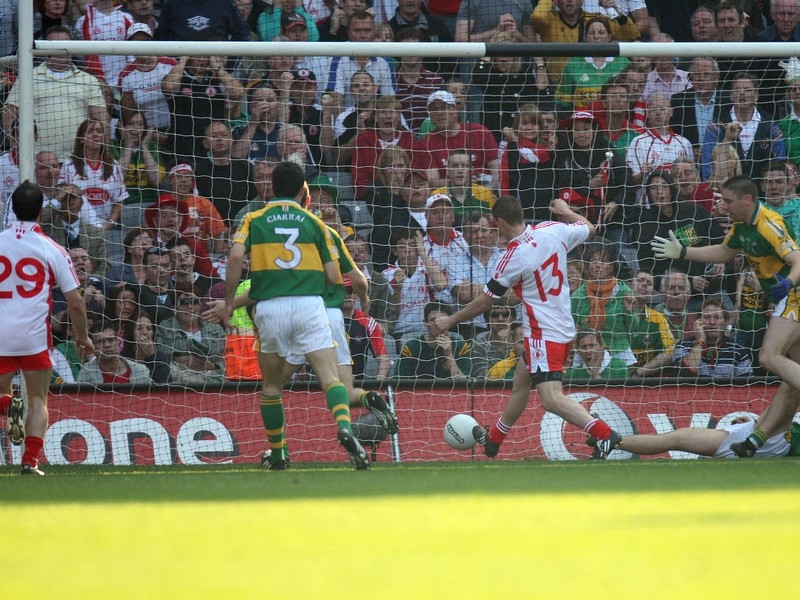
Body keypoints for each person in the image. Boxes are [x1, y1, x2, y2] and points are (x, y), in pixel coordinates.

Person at [430, 195, 623, 459]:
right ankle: (494, 441)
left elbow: (486, 301)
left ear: (498, 222)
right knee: (521, 381)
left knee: (551, 399)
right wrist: (566, 210)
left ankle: (605, 434)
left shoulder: (513, 257)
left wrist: (450, 320)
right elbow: (589, 227)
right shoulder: (552, 230)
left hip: (544, 335)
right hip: (563, 328)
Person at [225, 160, 371, 470]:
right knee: (330, 377)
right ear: (302, 189)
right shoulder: (315, 223)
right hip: (310, 305)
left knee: (272, 386)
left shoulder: (254, 218)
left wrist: (228, 301)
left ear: (271, 187)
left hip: (270, 307)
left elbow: (236, 255)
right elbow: (334, 276)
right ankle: (344, 426)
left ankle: (278, 454)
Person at [651, 174, 800, 457]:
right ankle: (758, 438)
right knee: (792, 377)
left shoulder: (769, 223)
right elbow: (723, 252)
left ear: (747, 200)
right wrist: (684, 251)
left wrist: (788, 282)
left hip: (794, 295)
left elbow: (798, 259)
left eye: (728, 201)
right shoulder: (741, 226)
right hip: (786, 296)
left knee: (769, 356)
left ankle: (760, 436)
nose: (724, 207)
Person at [0, 181, 94, 475]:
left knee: (3, 390)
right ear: (42, 210)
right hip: (34, 337)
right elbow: (76, 303)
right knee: (39, 399)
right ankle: (30, 461)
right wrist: (82, 337)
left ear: (12, 208)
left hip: (1, 333)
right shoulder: (52, 248)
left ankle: (6, 405)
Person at [3, 26, 108, 163]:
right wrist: (16, 147)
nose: (62, 49)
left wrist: (101, 153)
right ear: (46, 50)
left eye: (65, 44)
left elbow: (101, 119)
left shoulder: (89, 80)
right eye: (56, 45)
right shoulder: (28, 77)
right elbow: (8, 112)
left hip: (78, 160)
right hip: (38, 160)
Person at [700, 72, 786, 182]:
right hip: (727, 191)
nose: (742, 93)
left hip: (762, 192)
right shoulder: (716, 127)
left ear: (756, 96)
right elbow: (707, 166)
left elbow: (780, 163)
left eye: (747, 89)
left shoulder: (770, 127)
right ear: (731, 95)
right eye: (737, 89)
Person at [598, 413, 798, 459]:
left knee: (789, 385)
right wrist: (756, 419)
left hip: (777, 441)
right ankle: (610, 439)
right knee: (674, 438)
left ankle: (755, 440)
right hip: (764, 432)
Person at [665, 296, 753, 380]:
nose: (712, 322)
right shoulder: (682, 346)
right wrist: (700, 341)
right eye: (707, 317)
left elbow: (746, 385)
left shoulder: (738, 350)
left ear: (726, 322)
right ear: (698, 321)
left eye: (717, 317)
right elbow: (683, 374)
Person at [383, 227, 448, 342]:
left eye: (412, 245)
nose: (408, 250)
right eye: (402, 247)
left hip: (427, 331)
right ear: (394, 251)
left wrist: (423, 254)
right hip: (399, 332)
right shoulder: (386, 275)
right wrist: (397, 290)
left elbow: (441, 284)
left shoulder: (428, 268)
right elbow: (391, 314)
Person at [555, 17, 631, 111]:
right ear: (585, 37)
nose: (596, 36)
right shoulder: (573, 64)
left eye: (601, 33)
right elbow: (564, 104)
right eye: (591, 33)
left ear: (609, 37)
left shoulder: (623, 63)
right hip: (583, 122)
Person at [41, 182, 108, 273]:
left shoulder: (95, 232)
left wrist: (93, 283)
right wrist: (57, 199)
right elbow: (38, 222)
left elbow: (103, 264)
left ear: (81, 202)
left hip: (89, 284)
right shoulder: (46, 230)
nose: (71, 202)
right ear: (56, 202)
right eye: (65, 198)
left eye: (74, 198)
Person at [397, 301, 472, 379]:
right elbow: (398, 382)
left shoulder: (461, 346)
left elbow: (466, 385)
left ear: (450, 323)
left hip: (452, 391)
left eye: (443, 320)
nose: (438, 324)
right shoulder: (411, 347)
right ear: (425, 323)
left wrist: (449, 354)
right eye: (433, 320)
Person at [78, 320, 153, 385]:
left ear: (117, 342)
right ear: (92, 346)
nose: (107, 345)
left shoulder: (141, 372)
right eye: (100, 341)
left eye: (110, 340)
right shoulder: (86, 374)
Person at [155, 0, 252, 41]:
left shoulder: (225, 3)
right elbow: (163, 35)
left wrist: (229, 64)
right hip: (178, 71)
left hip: (216, 71)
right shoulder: (172, 4)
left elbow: (242, 34)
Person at [564, 329, 630, 381]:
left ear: (601, 346)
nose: (588, 351)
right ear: (578, 350)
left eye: (592, 345)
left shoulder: (619, 367)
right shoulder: (572, 375)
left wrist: (595, 374)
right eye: (583, 347)